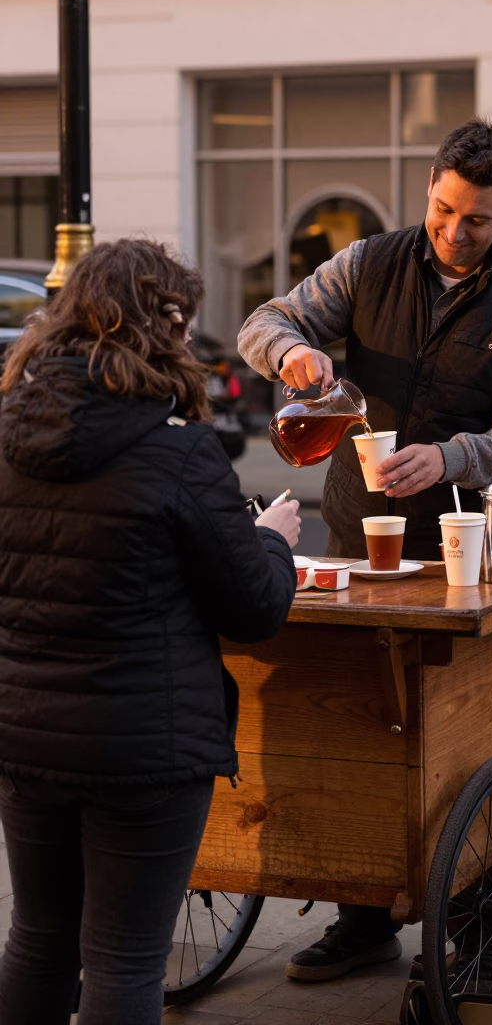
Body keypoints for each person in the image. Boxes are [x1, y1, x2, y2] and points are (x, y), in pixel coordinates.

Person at [238, 118, 492, 984]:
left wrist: (452, 457)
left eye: (478, 220)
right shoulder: (367, 263)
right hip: (361, 536)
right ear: (430, 187)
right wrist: (296, 351)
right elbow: (264, 321)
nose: (454, 233)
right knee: (364, 731)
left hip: (467, 555)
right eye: (443, 209)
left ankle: (482, 931)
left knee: (465, 747)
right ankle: (363, 920)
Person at [0, 239, 300, 1025]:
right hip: (142, 751)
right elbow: (256, 609)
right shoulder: (180, 454)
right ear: (160, 327)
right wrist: (271, 538)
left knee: (37, 942)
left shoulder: (6, 439)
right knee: (126, 959)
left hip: (25, 736)